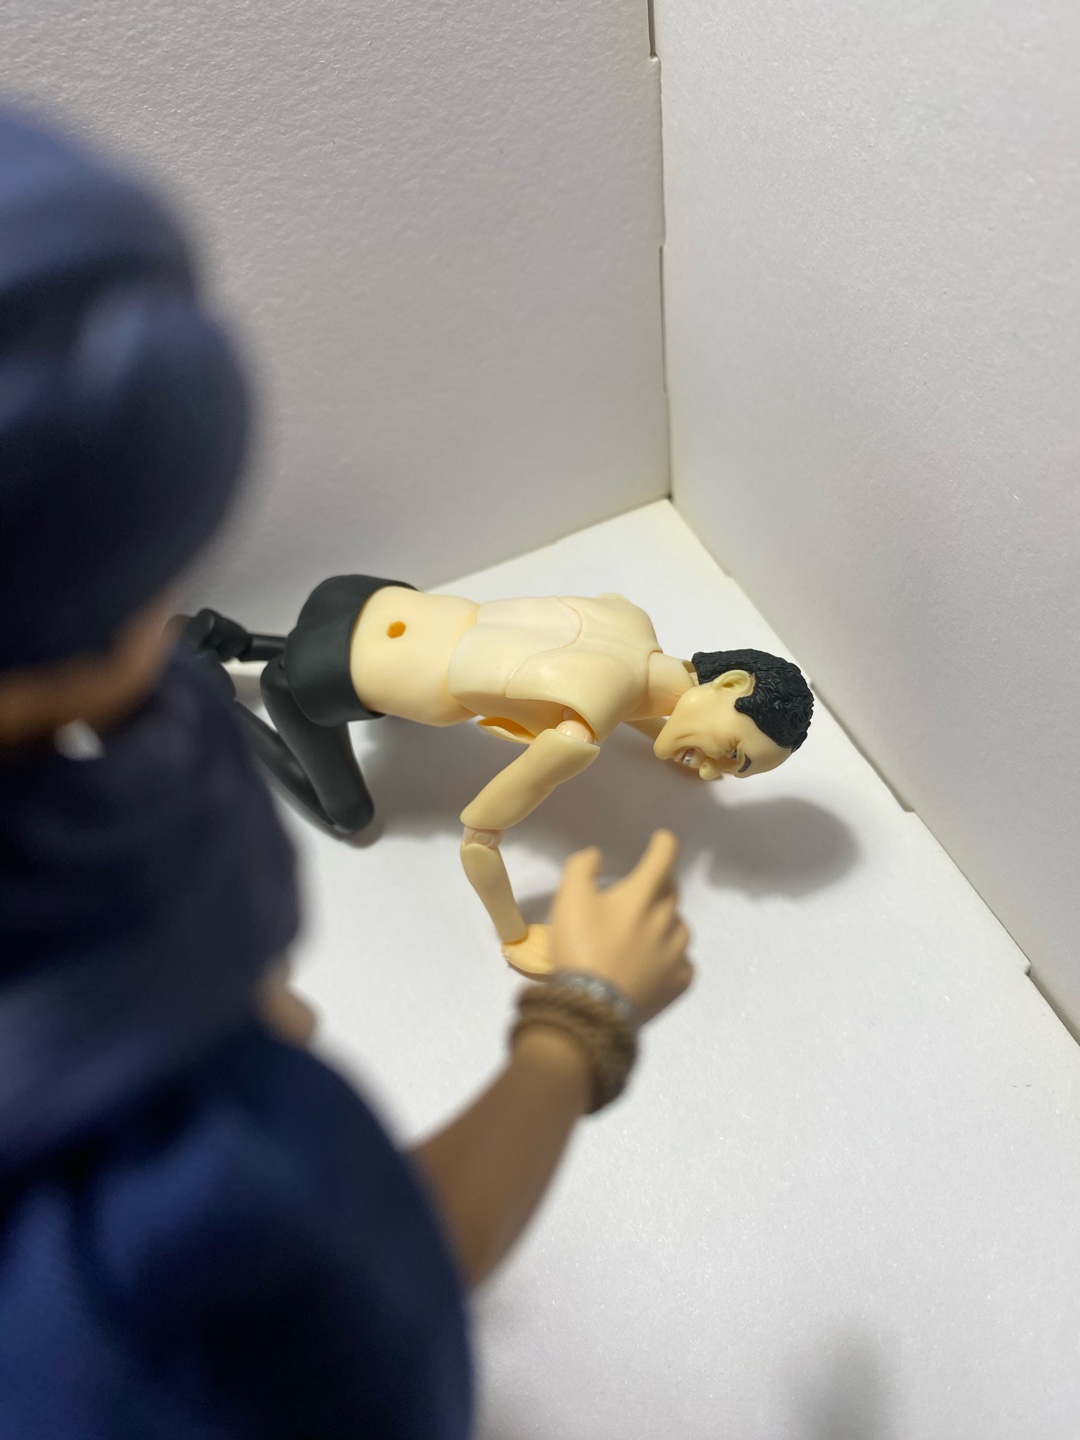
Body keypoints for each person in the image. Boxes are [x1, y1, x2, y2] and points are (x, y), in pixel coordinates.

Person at [0, 109, 693, 1439]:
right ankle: (236, 675)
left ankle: (234, 653)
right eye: (147, 586)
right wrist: (577, 1001)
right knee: (350, 812)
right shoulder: (181, 1188)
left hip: (368, 614)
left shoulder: (620, 619)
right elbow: (392, 1266)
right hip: (339, 681)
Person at [186, 584, 813, 974]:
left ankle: (230, 638)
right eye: (732, 753)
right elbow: (478, 838)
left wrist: (677, 743)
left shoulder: (628, 616)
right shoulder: (576, 733)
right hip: (319, 678)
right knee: (348, 817)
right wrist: (515, 936)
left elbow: (635, 692)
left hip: (369, 596)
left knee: (386, 687)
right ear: (730, 683)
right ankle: (210, 688)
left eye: (735, 770)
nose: (714, 771)